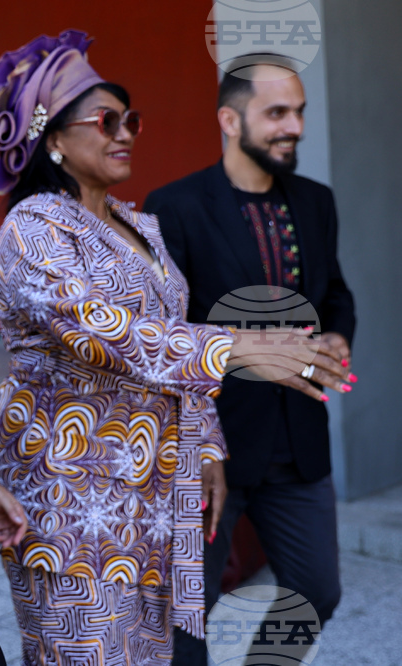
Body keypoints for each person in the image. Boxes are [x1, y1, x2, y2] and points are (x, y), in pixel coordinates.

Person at [0, 31, 352, 664]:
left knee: (154, 654)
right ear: (53, 139)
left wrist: (209, 446)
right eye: (106, 121)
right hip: (74, 499)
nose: (126, 134)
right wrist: (237, 346)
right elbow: (101, 330)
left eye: (132, 120)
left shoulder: (136, 224)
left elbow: (172, 345)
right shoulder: (33, 228)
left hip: (154, 495)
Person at [144, 55, 356, 664]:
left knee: (317, 592)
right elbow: (165, 331)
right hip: (211, 443)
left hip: (299, 441)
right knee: (190, 614)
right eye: (277, 112)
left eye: (300, 112)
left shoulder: (316, 201)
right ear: (230, 120)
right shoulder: (175, 206)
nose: (295, 127)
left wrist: (337, 337)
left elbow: (335, 293)